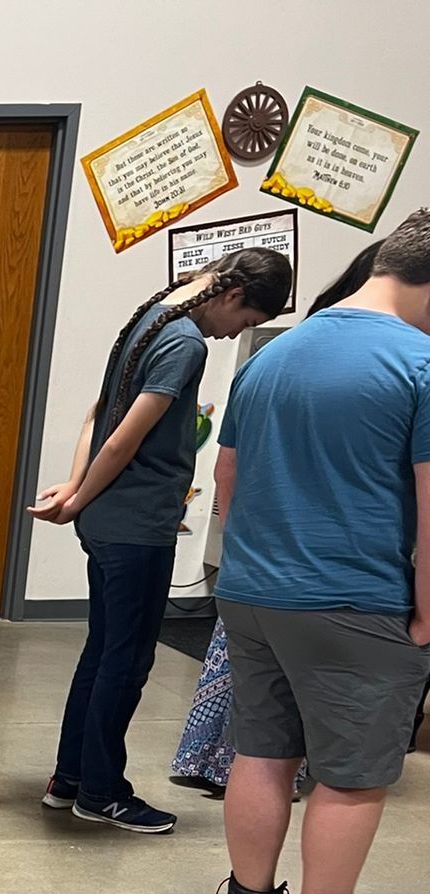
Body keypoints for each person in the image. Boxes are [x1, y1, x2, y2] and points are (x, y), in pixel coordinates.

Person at [210, 211, 430, 894]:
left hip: (251, 590)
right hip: (357, 602)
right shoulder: (421, 364)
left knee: (264, 750)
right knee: (354, 773)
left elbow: (226, 481)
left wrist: (244, 572)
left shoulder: (273, 353)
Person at [28, 248, 292, 833]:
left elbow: (98, 415)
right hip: (135, 527)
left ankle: (70, 777)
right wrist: (78, 496)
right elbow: (121, 440)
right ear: (230, 296)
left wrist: (76, 490)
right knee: (125, 660)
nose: (234, 337)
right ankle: (100, 791)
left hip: (109, 522)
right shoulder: (187, 341)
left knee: (103, 651)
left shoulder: (153, 314)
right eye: (245, 323)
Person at [172, 247, 380, 797]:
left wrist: (236, 541)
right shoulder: (392, 362)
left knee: (256, 726)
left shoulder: (275, 355)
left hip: (255, 563)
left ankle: (213, 761)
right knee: (340, 764)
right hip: (329, 572)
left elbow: (227, 467)